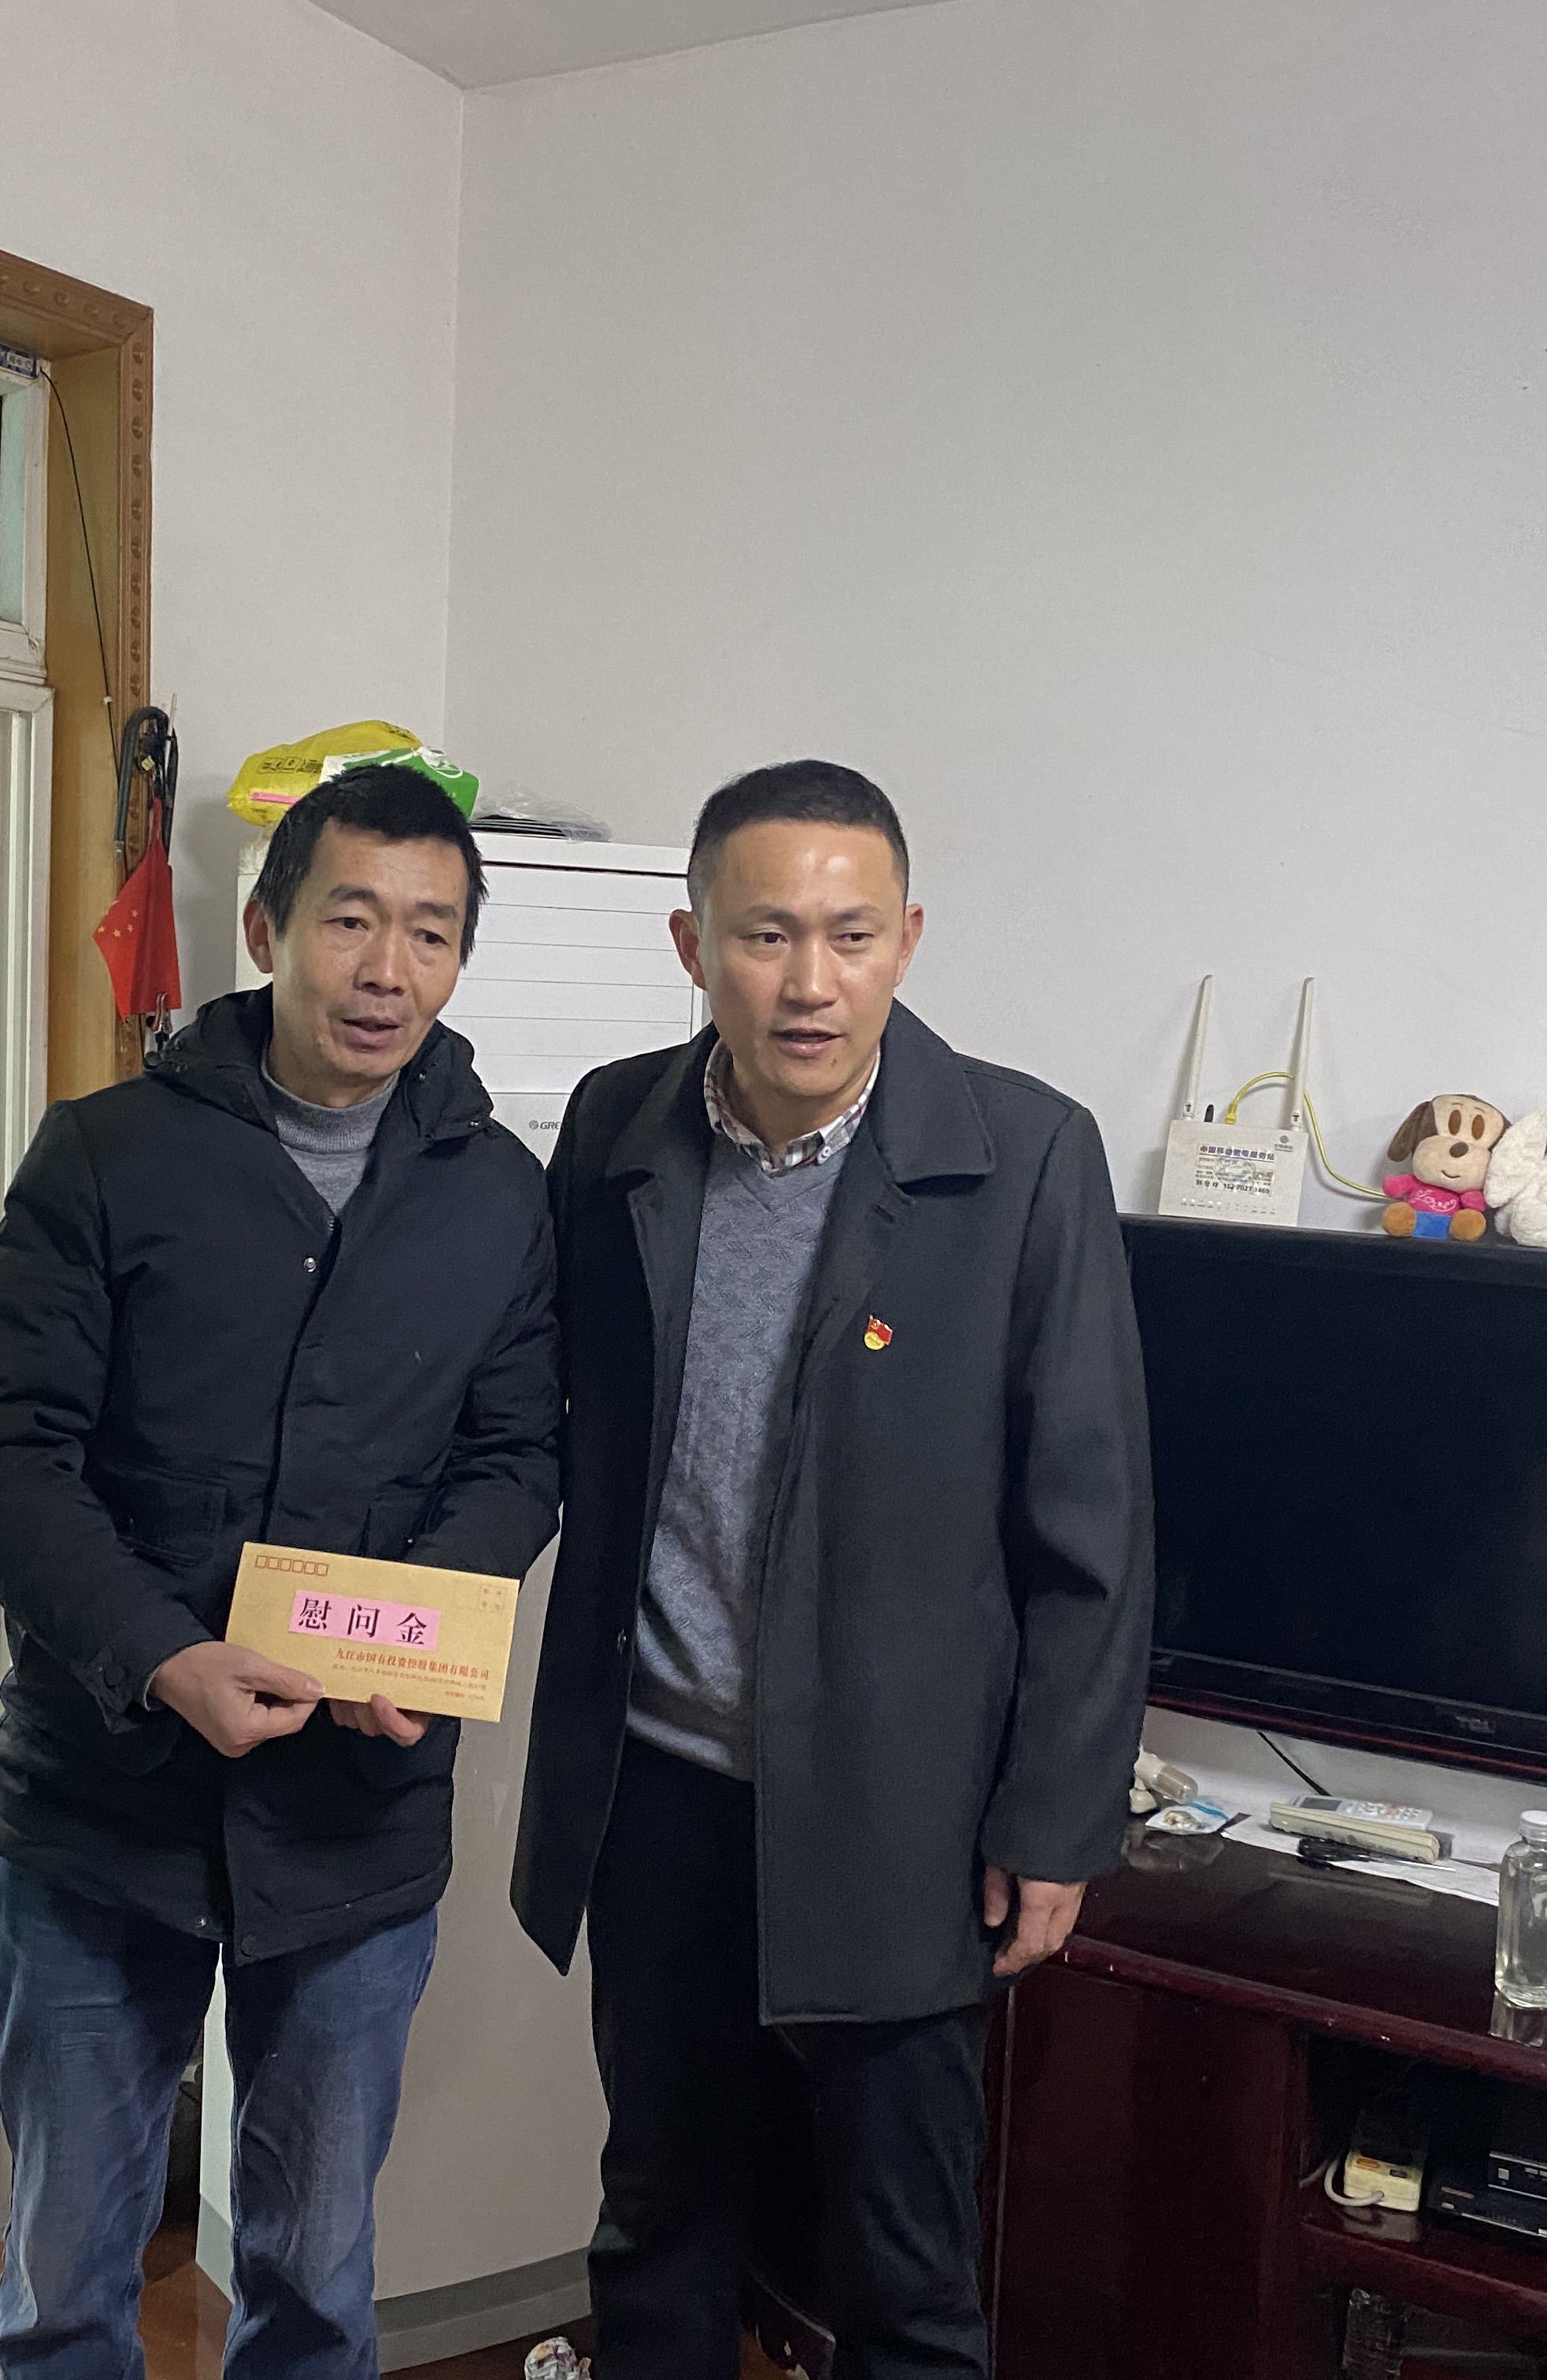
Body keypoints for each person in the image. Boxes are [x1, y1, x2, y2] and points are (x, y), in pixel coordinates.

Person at [512, 759, 1154, 2380]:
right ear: (692, 945)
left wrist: (1057, 1815)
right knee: (659, 2216)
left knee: (902, 2261)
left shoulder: (1023, 1155)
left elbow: (1093, 1525)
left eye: (852, 936)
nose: (811, 982)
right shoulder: (613, 1125)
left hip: (901, 1809)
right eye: (767, 935)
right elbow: (551, 1417)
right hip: (658, 1785)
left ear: (908, 941)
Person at [0, 765, 561, 2380]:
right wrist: (160, 1654)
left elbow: (516, 1458)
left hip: (356, 1816)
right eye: (351, 919)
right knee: (69, 2277)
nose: (387, 969)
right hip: (102, 1803)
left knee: (317, 2269)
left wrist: (407, 1640)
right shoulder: (110, 1154)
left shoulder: (499, 1195)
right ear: (268, 928)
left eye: (431, 932)